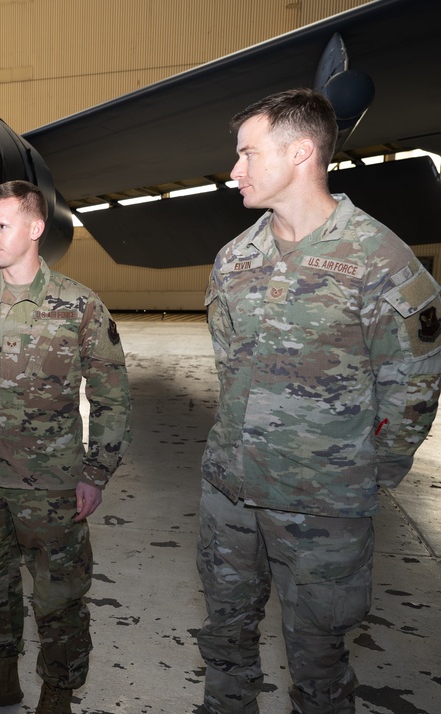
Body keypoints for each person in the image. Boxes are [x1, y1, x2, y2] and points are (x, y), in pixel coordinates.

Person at [198, 88, 441, 714]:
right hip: (230, 490)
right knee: (224, 635)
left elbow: (414, 384)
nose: (235, 170)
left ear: (301, 152)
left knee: (319, 658)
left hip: (323, 504)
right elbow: (229, 368)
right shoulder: (235, 259)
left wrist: (366, 470)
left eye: (248, 154)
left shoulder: (378, 259)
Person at [0, 180, 132, 714]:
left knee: (59, 595)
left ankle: (58, 694)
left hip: (53, 485)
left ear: (35, 228)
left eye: (1, 226)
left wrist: (97, 473)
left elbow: (111, 397)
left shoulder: (79, 305)